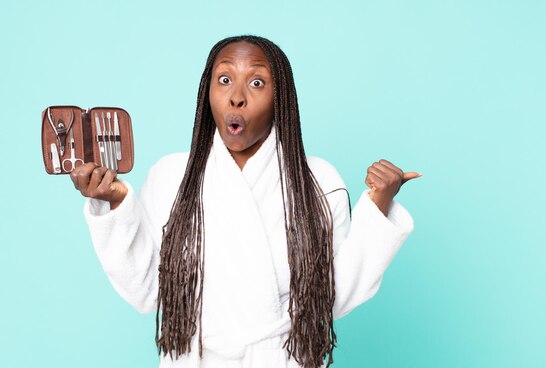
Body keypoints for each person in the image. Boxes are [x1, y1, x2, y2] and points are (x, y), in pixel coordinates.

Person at [70, 35, 419, 368]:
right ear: (207, 92)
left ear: (280, 98)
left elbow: (331, 297)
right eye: (224, 79)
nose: (236, 96)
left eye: (256, 83)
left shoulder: (318, 180)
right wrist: (115, 203)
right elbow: (147, 290)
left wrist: (377, 206)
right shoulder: (171, 176)